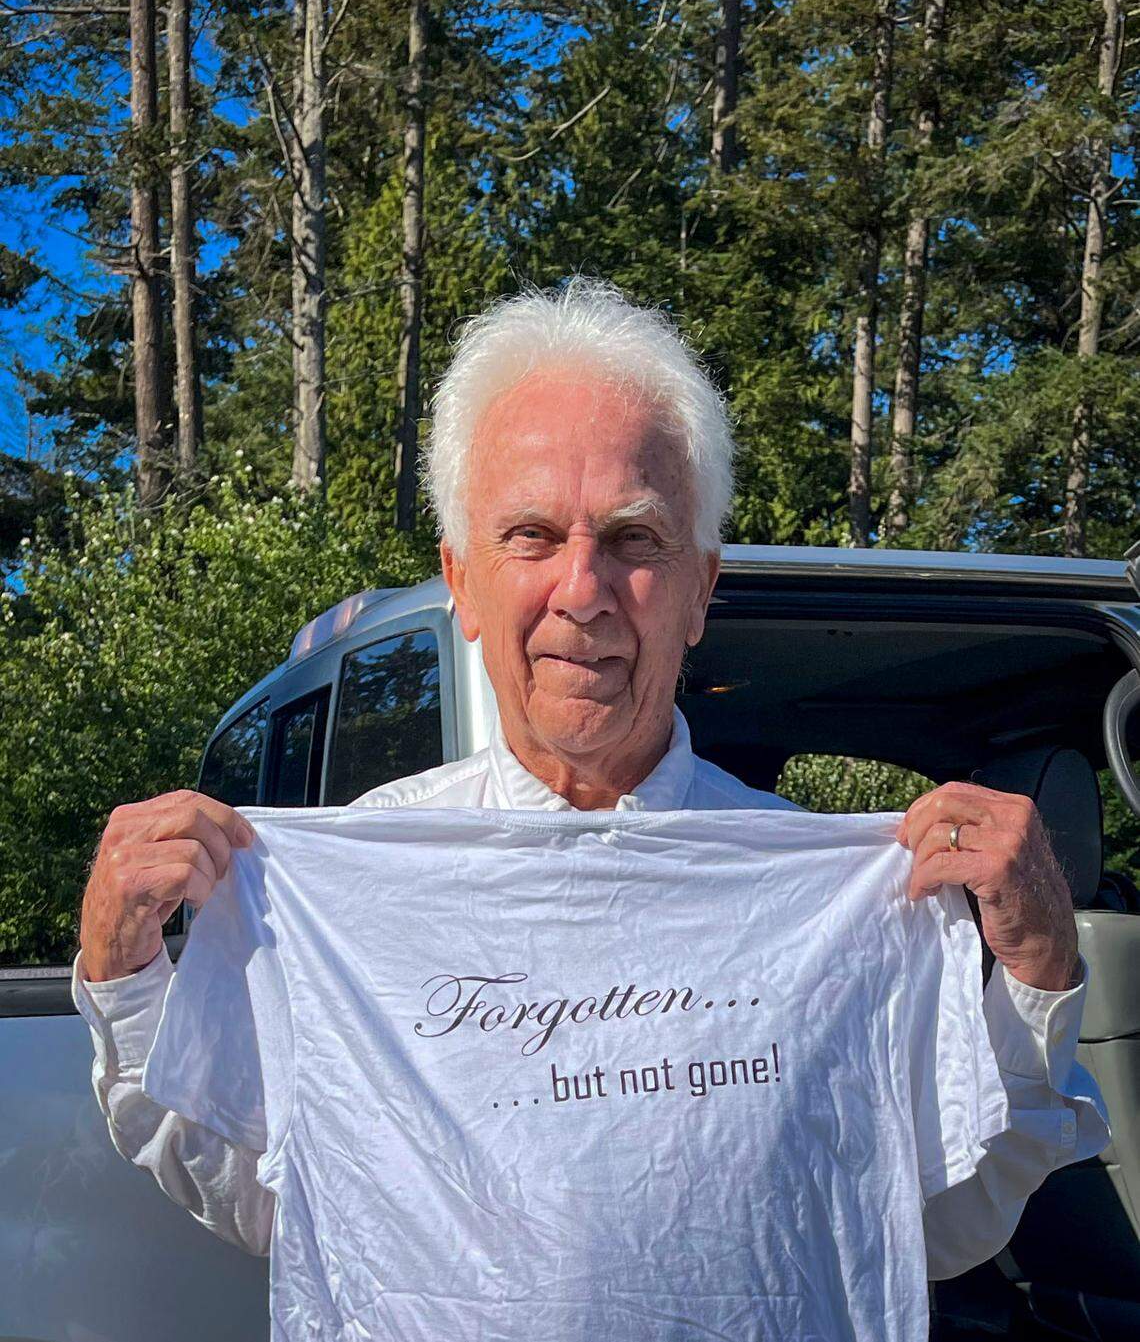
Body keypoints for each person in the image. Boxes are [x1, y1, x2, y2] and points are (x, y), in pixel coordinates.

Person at [74, 277, 1108, 1282]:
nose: (583, 590)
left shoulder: (831, 910)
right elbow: (275, 1207)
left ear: (700, 590)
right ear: (462, 580)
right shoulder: (350, 905)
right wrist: (125, 974)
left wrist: (1037, 975)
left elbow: (936, 1225)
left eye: (633, 538)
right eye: (531, 535)